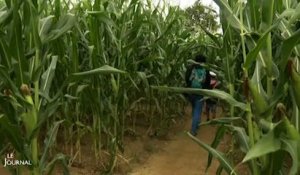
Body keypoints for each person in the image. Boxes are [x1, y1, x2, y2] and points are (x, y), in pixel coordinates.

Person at [185, 54, 207, 136]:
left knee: (194, 109)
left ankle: (196, 125)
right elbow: (206, 82)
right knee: (198, 110)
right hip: (199, 92)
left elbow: (187, 78)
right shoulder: (205, 70)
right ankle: (193, 130)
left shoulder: (191, 68)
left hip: (191, 91)